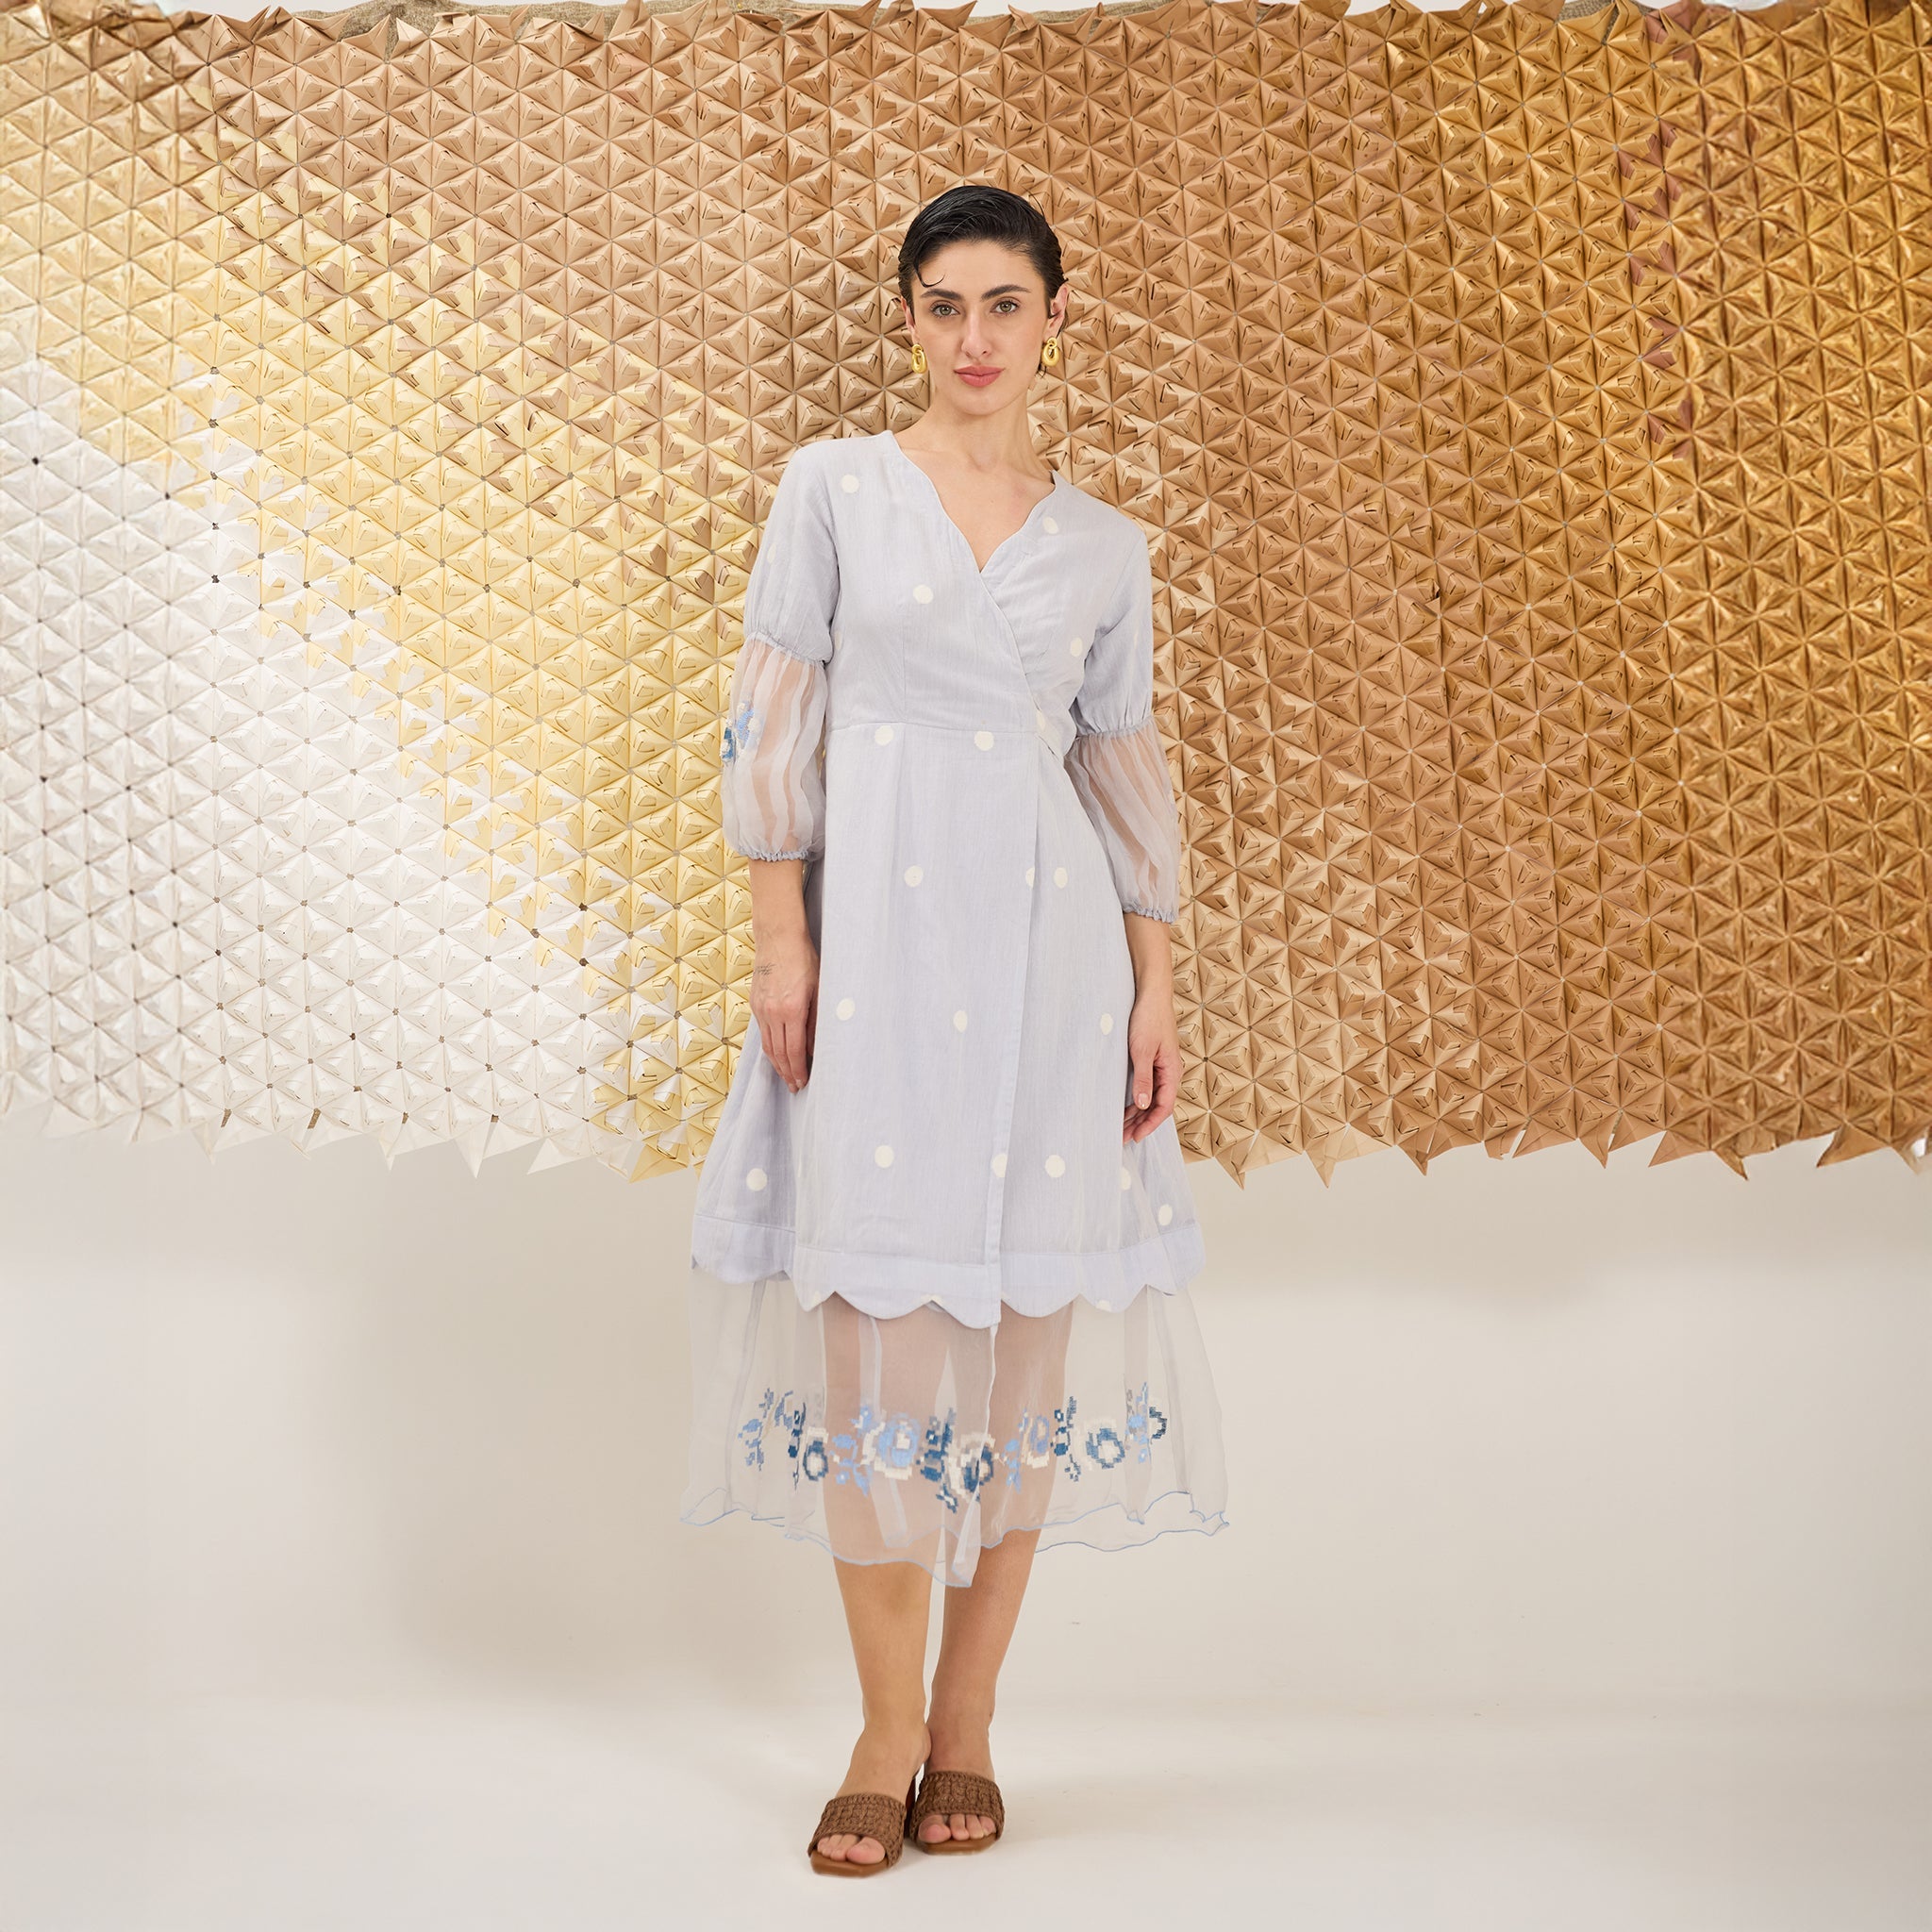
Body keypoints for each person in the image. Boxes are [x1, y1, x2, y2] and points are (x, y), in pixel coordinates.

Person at [678, 182, 1228, 1875]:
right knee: (877, 1356)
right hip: (878, 963)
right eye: (944, 305)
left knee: (1021, 1359)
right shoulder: (836, 489)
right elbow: (774, 720)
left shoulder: (1105, 548)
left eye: (1005, 304)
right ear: (909, 321)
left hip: (1054, 972)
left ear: (1057, 319)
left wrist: (1155, 982)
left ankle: (969, 1722)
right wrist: (783, 944)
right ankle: (881, 1727)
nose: (974, 337)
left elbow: (1120, 773)